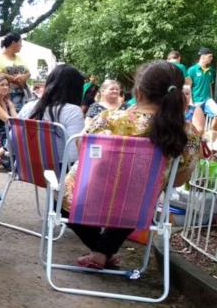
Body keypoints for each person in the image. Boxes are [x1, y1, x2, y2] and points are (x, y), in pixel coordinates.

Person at [64, 61, 199, 269]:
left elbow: (83, 148)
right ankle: (103, 252)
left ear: (138, 90)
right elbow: (179, 179)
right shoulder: (185, 132)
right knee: (133, 199)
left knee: (64, 198)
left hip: (88, 197)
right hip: (139, 206)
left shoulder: (109, 118)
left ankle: (100, 250)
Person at [18, 65, 86, 164]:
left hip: (29, 169)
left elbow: (12, 142)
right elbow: (74, 156)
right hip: (60, 172)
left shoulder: (28, 107)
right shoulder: (73, 111)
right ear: (76, 89)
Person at [0, 33, 30, 112]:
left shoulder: (19, 58)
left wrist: (24, 77)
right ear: (13, 43)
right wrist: (13, 79)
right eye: (20, 42)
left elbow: (28, 73)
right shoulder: (0, 58)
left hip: (22, 95)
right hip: (6, 96)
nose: (21, 45)